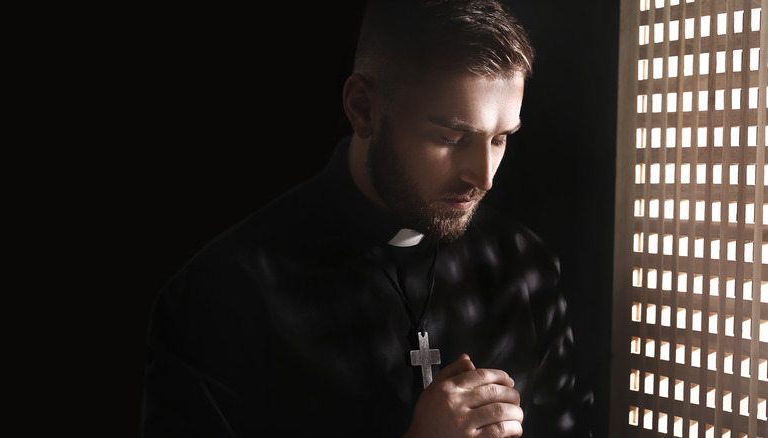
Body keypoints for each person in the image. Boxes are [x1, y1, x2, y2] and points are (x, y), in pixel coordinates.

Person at [141, 0, 592, 436]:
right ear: (363, 108)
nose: (484, 177)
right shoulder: (219, 297)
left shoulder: (524, 268)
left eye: (500, 139)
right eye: (451, 137)